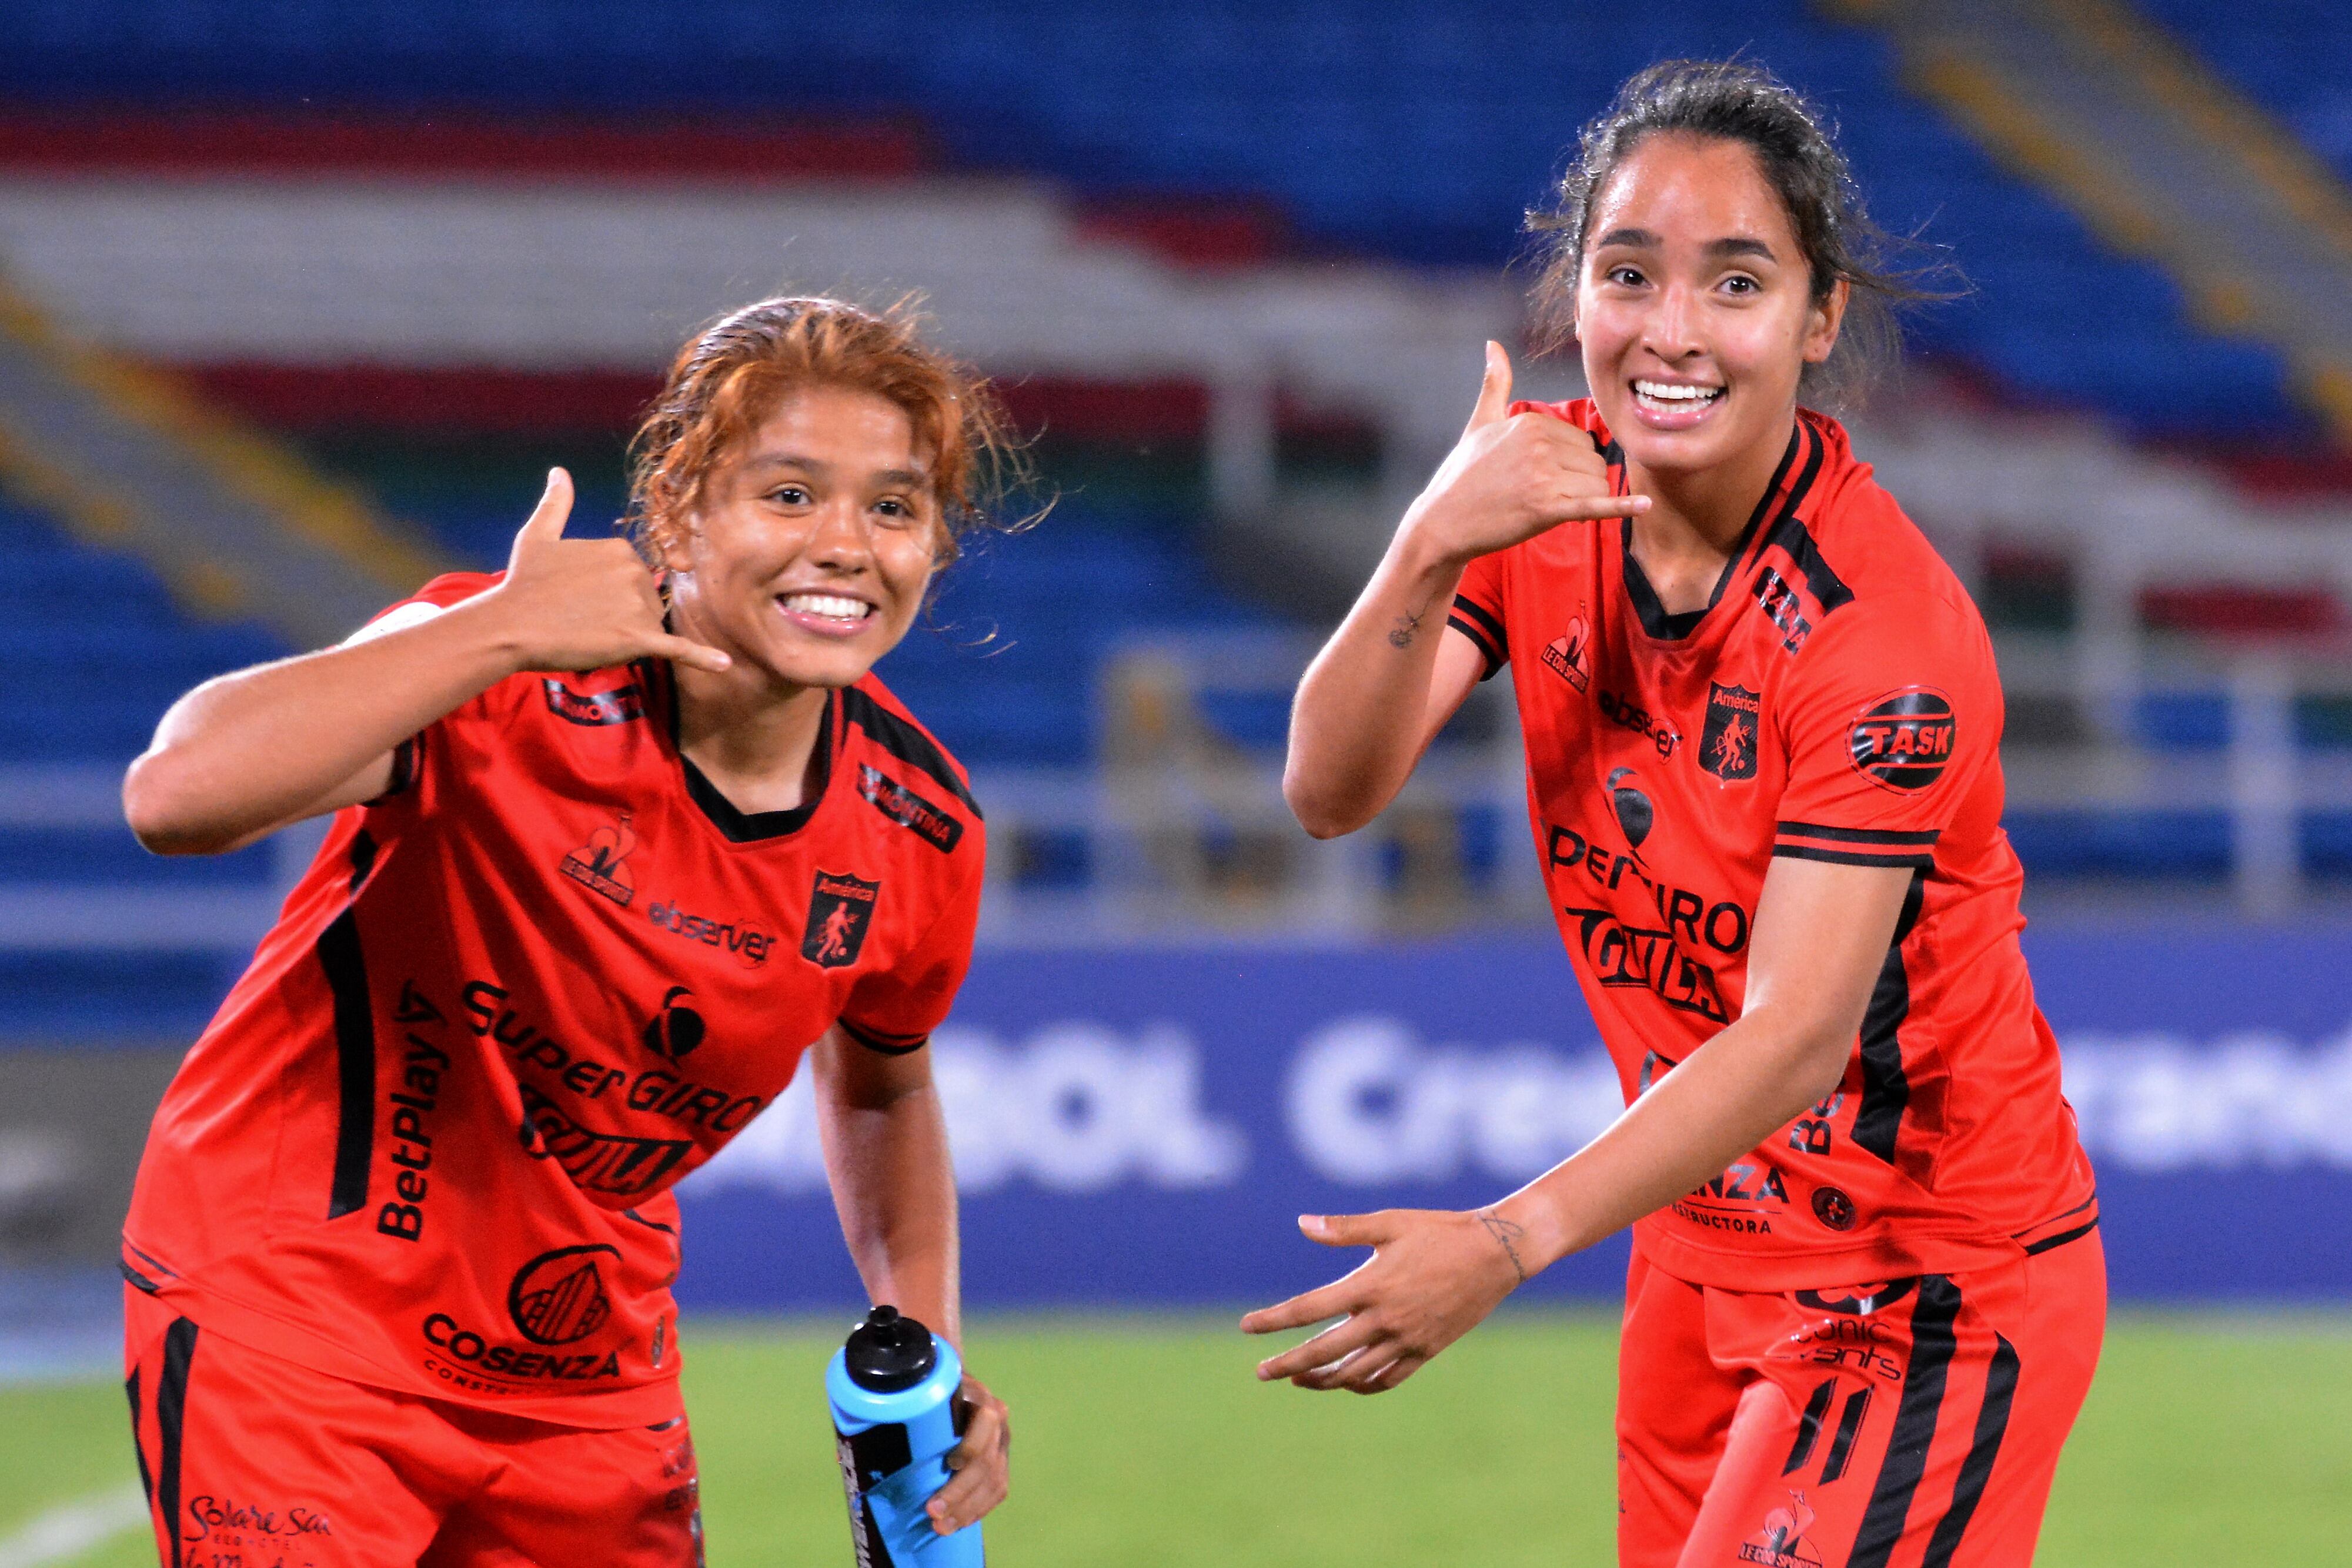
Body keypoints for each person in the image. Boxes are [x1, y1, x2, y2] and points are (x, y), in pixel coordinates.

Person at [1244, 60, 2102, 1568]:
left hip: (1920, 1284)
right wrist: (1429, 538)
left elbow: (1794, 1033)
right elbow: (1326, 790)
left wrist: (1505, 1240)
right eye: (1627, 273)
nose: (1673, 332)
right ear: (1572, 287)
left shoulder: (1878, 635)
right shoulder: (1541, 502)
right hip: (1702, 1262)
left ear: (1818, 319)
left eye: (1736, 281)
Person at [119, 296, 1014, 1564]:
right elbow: (175, 796)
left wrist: (919, 1346)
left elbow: (880, 1086)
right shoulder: (506, 668)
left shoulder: (918, 826)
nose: (844, 545)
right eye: (788, 494)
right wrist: (492, 627)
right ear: (682, 512)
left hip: (583, 1373)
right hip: (298, 1316)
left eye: (892, 506)